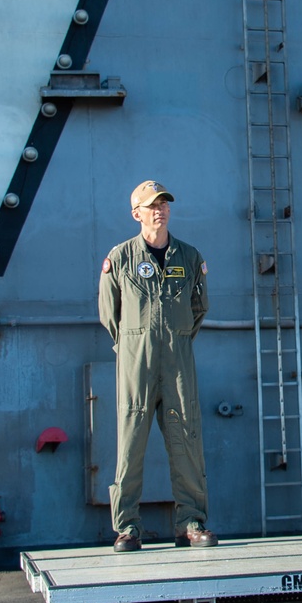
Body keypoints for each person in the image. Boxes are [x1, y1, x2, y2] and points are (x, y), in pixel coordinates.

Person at [98, 180, 216, 553]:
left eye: (164, 204)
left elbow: (199, 308)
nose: (159, 210)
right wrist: (134, 342)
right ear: (136, 214)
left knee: (187, 441)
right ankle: (127, 527)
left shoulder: (189, 256)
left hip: (178, 357)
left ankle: (191, 522)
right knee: (130, 442)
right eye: (151, 206)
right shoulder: (120, 258)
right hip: (136, 358)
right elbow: (109, 314)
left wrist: (177, 338)